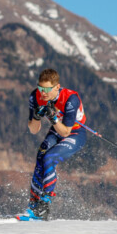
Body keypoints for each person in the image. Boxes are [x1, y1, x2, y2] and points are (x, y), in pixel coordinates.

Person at [24, 67, 87, 220]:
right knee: (41, 156)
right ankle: (33, 204)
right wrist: (37, 117)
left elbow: (65, 132)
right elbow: (33, 130)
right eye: (40, 87)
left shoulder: (70, 98)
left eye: (47, 89)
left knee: (49, 158)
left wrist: (53, 118)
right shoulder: (35, 96)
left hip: (75, 133)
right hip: (57, 129)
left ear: (57, 87)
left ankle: (44, 206)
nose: (43, 92)